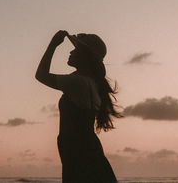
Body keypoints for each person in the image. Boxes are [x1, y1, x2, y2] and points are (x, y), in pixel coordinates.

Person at [35, 30, 122, 183]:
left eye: (76, 50)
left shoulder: (78, 82)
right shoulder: (88, 81)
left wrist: (53, 44)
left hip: (79, 152)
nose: (71, 51)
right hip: (83, 149)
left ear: (85, 57)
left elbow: (41, 75)